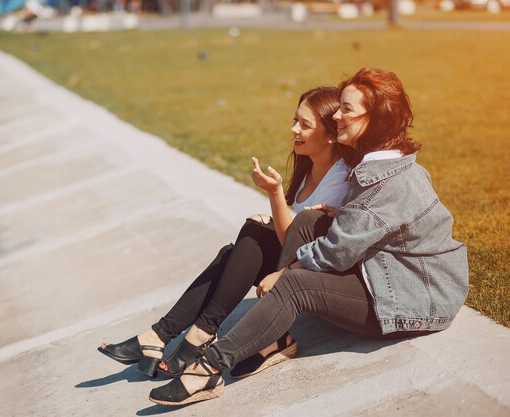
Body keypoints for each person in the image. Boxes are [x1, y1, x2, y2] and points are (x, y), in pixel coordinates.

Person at [148, 67, 469, 406]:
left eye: (347, 110)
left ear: (375, 121)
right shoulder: (384, 166)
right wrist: (336, 218)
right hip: (389, 270)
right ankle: (274, 338)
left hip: (415, 296)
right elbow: (366, 228)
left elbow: (336, 254)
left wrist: (284, 272)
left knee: (294, 285)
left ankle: (208, 369)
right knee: (308, 221)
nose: (338, 117)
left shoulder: (385, 183)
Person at [98, 86, 353, 379]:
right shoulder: (308, 167)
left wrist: (274, 195)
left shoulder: (340, 179)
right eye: (296, 119)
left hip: (317, 279)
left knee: (253, 236)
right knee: (237, 250)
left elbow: (296, 244)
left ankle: (181, 336)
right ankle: (162, 337)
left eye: (305, 125)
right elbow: (293, 235)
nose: (294, 128)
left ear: (331, 134)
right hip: (297, 264)